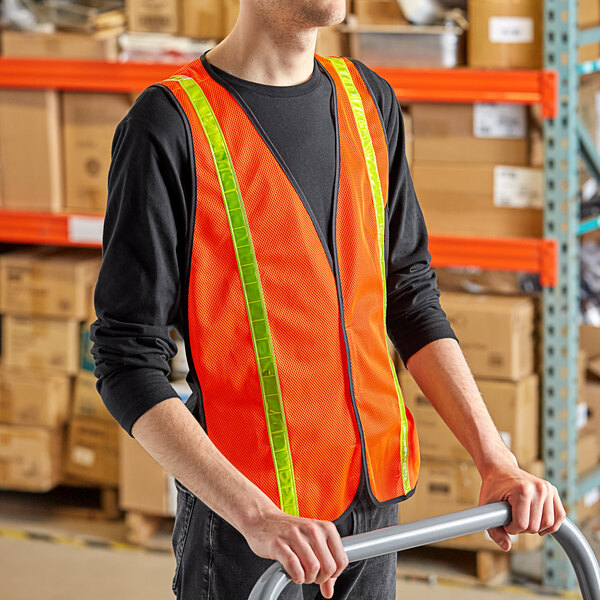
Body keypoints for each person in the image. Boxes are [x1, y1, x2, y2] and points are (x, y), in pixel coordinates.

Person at [90, 1, 566, 598]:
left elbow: (410, 299)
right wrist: (256, 517)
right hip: (251, 531)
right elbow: (126, 362)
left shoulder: (368, 102)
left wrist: (495, 458)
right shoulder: (168, 126)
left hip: (373, 506)